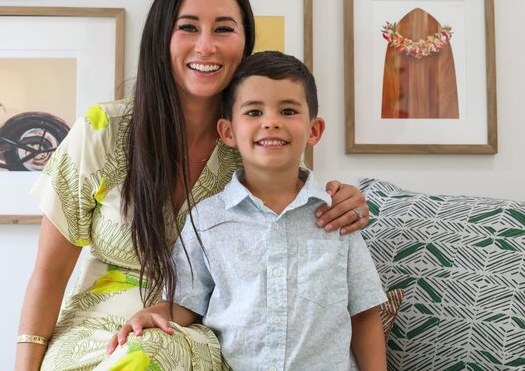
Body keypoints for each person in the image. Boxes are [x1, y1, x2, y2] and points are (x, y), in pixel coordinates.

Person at [14, 0, 370, 371]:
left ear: (244, 42)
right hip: (91, 335)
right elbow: (48, 274)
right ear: (161, 38)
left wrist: (346, 200)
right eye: (188, 27)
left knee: (147, 355)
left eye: (223, 29)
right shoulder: (103, 131)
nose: (206, 46)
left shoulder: (255, 142)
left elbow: (301, 216)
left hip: (194, 334)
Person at [108, 51, 388, 370]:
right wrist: (155, 312)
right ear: (227, 132)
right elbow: (187, 303)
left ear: (314, 130)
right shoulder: (207, 220)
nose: (271, 122)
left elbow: (364, 312)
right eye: (254, 112)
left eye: (288, 110)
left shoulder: (336, 217)